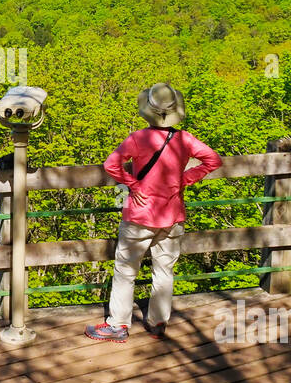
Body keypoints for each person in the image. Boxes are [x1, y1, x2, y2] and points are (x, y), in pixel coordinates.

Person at [85, 83, 222, 342]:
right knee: (164, 271)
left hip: (139, 215)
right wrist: (186, 179)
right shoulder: (184, 139)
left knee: (126, 271)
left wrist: (134, 184)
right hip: (172, 216)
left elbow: (111, 165)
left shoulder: (139, 138)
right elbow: (213, 160)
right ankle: (158, 322)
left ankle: (118, 325)